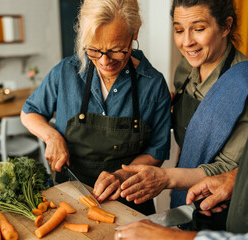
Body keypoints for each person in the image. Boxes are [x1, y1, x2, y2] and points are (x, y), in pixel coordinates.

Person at [114, 0, 248, 238]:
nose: (187, 42)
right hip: (186, 203)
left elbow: (227, 169)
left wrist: (165, 178)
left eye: (199, 29)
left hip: (224, 214)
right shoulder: (185, 70)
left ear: (225, 27)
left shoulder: (245, 86)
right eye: (179, 30)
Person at [21, 0, 171, 215]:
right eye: (94, 50)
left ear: (134, 33)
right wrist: (51, 137)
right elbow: (29, 112)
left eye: (116, 50)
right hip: (69, 198)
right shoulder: (66, 72)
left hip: (129, 200)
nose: (104, 61)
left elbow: (157, 151)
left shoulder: (153, 84)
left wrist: (122, 176)